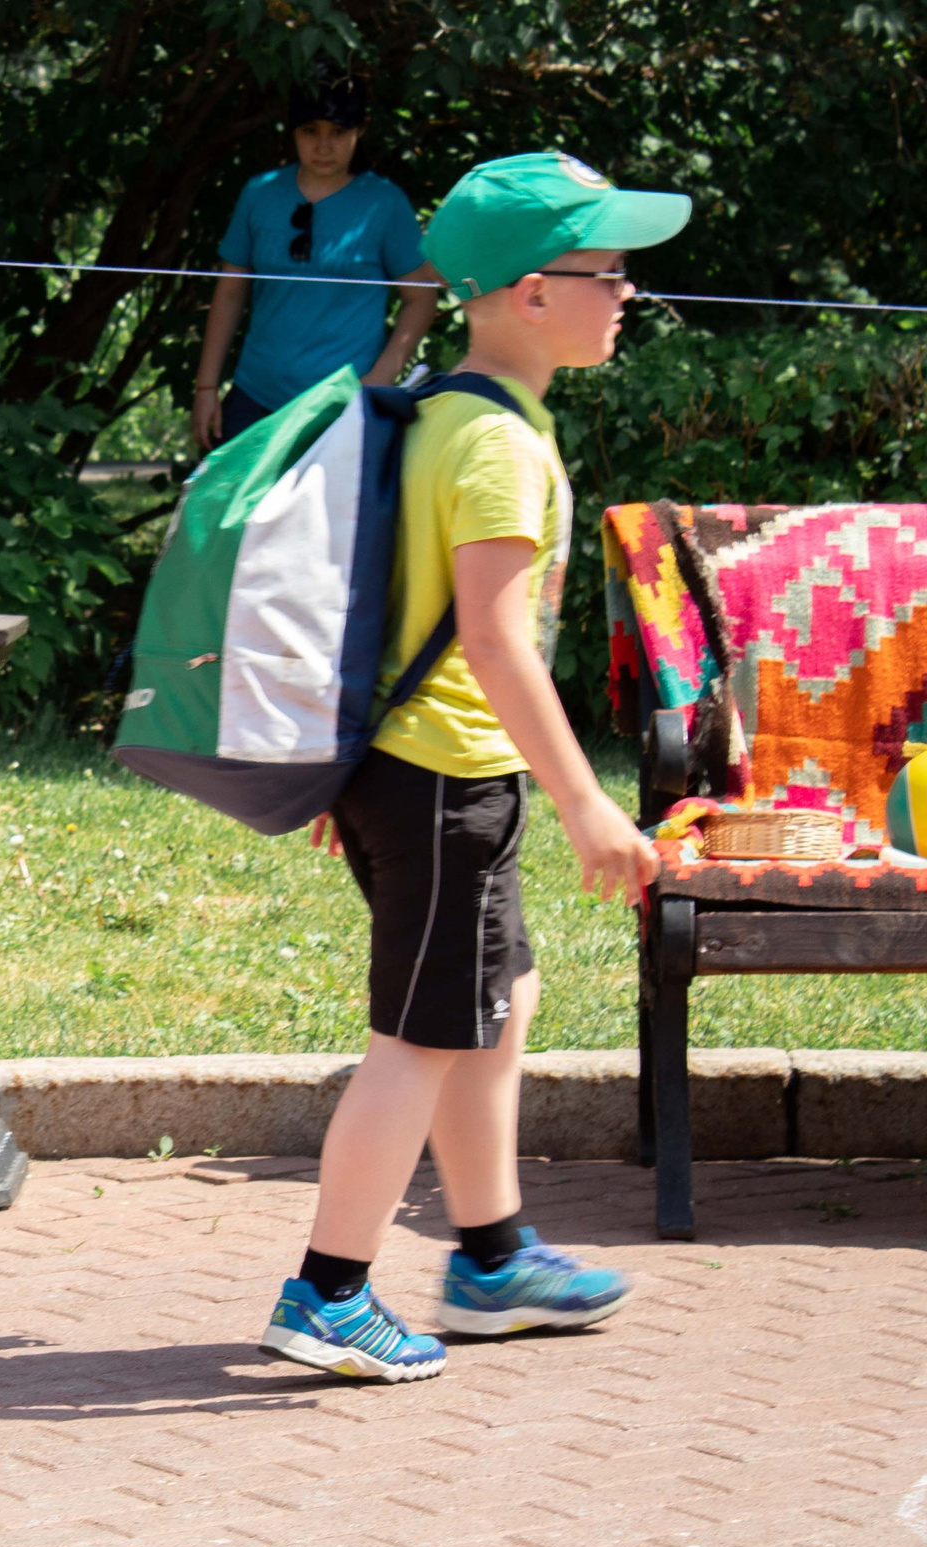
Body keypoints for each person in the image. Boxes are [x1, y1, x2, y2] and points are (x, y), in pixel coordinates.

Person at [259, 154, 689, 1382]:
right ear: (523, 293)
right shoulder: (495, 448)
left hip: (414, 775)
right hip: (446, 778)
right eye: (602, 272)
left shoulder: (447, 411)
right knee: (422, 1035)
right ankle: (329, 1290)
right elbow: (495, 642)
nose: (623, 294)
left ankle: (490, 1259)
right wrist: (587, 803)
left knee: (498, 999)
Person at [191, 61, 442, 449]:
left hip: (340, 406)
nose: (324, 146)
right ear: (293, 131)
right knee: (229, 509)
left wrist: (378, 381)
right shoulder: (260, 194)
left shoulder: (384, 204)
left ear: (360, 130)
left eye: (338, 132)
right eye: (311, 131)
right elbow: (229, 293)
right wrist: (206, 386)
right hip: (256, 396)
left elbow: (421, 299)